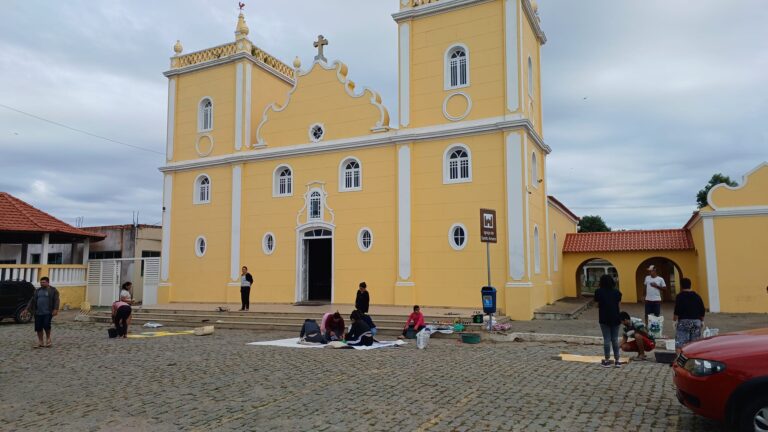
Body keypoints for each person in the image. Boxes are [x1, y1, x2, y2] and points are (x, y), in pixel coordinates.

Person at [593, 274, 622, 368]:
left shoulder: (598, 292)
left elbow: (596, 305)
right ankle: (617, 360)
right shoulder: (617, 292)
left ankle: (606, 360)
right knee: (615, 339)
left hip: (604, 317)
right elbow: (619, 304)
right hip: (615, 317)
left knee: (606, 339)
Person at [673, 278, 705, 354]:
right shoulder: (697, 296)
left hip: (684, 322)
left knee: (680, 343)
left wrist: (674, 321)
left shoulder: (679, 296)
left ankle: (679, 361)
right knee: (694, 343)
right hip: (696, 322)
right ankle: (694, 360)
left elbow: (677, 310)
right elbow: (702, 310)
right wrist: (702, 321)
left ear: (681, 286)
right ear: (690, 285)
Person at [27, 276, 60, 348]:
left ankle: (48, 339)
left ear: (48, 282)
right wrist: (26, 309)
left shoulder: (53, 290)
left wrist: (55, 309)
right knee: (38, 327)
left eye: (43, 282)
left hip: (48, 312)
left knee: (46, 325)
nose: (42, 284)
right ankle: (40, 342)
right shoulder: (37, 291)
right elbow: (32, 300)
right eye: (41, 282)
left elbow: (56, 300)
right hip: (38, 312)